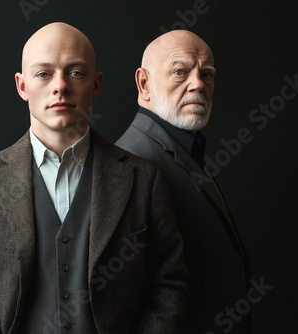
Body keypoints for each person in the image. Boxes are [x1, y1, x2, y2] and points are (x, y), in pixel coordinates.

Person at [0, 22, 188, 334]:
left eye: (76, 73)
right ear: (22, 86)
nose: (60, 86)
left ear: (96, 85)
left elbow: (168, 286)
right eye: (44, 74)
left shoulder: (144, 180)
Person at [116, 30, 250, 333]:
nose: (198, 84)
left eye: (207, 74)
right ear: (144, 84)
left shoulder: (185, 151)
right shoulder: (131, 165)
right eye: (180, 71)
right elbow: (123, 301)